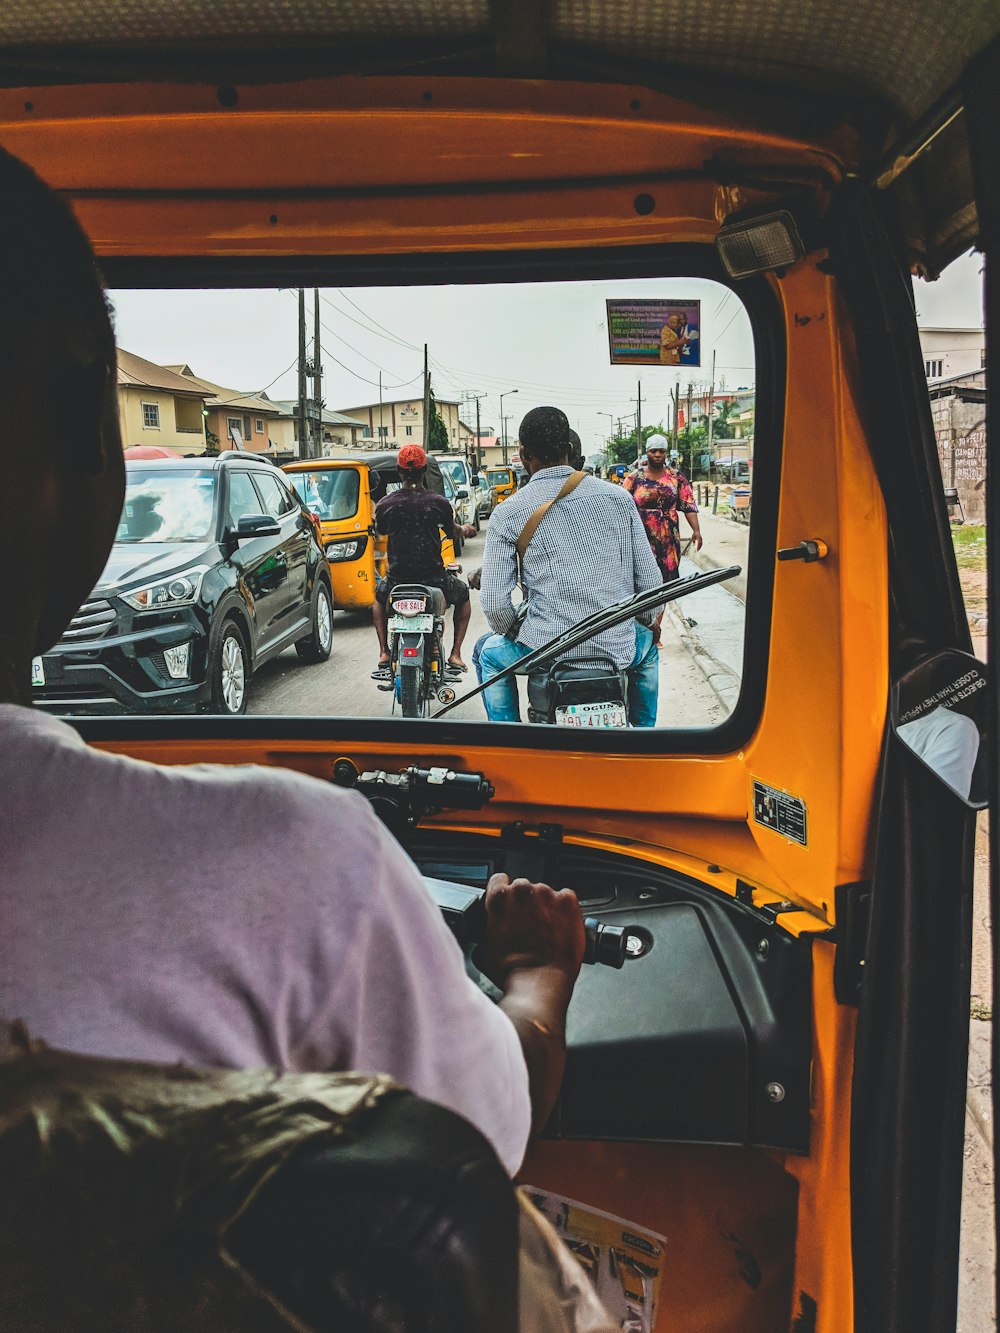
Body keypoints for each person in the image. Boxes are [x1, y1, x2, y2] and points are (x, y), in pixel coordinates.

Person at [0, 146, 587, 1181]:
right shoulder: (291, 868)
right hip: (455, 623)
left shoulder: (390, 503)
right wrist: (537, 967)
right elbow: (486, 1134)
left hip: (401, 599)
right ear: (81, 426)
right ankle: (440, 664)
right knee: (462, 620)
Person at [477, 406, 663, 726]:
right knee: (647, 652)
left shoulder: (507, 513)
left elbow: (495, 606)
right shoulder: (618, 498)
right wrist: (644, 622)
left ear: (523, 454)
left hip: (545, 650)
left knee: (490, 656)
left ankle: (511, 743)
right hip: (615, 645)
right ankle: (643, 740)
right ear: (569, 449)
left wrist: (520, 631)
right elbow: (651, 585)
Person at [370, 442, 476, 679]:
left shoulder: (386, 504)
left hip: (397, 579)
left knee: (378, 600)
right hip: (434, 578)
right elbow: (452, 531)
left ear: (399, 472)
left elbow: (381, 530)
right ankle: (456, 654)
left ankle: (384, 652)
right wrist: (466, 530)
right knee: (464, 597)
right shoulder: (438, 503)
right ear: (424, 470)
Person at [623, 432, 703, 582]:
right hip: (642, 536)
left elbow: (688, 505)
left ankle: (663, 606)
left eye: (661, 451)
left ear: (666, 453)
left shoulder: (676, 477)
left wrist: (696, 531)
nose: (658, 454)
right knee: (644, 577)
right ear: (647, 453)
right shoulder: (634, 478)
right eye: (653, 451)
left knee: (667, 579)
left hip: (669, 538)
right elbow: (621, 505)